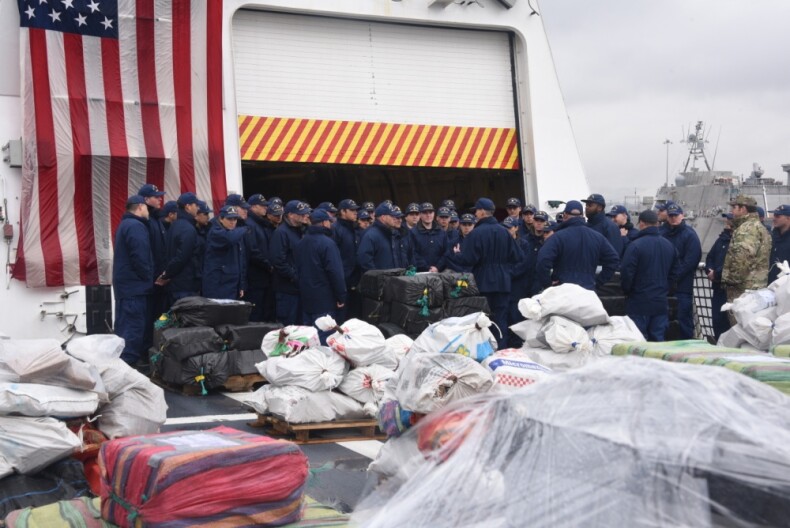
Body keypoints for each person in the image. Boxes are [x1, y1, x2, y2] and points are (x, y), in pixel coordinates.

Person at [452, 198, 523, 348]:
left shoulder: (476, 233)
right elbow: (518, 257)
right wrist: (505, 269)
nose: (476, 213)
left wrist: (457, 254)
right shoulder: (505, 232)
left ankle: (485, 352)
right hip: (503, 282)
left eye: (477, 210)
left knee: (482, 320)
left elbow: (468, 259)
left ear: (483, 212)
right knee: (500, 319)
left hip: (483, 282)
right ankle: (501, 349)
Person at [620, 210, 678, 341]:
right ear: (657, 224)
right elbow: (674, 273)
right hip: (660, 302)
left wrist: (627, 291)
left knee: (638, 340)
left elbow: (627, 273)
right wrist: (665, 289)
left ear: (641, 223)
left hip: (638, 302)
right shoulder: (669, 246)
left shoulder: (635, 246)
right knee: (658, 340)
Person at [535, 200, 620, 291]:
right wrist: (597, 282)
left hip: (563, 292)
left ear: (565, 215)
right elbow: (613, 260)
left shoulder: (557, 237)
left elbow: (542, 261)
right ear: (582, 216)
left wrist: (548, 285)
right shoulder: (598, 237)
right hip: (587, 291)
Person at [112, 195, 153, 366]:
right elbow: (140, 256)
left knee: (124, 329)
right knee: (132, 330)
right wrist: (148, 277)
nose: (148, 212)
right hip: (134, 288)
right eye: (147, 208)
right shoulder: (136, 226)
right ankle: (127, 369)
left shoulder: (125, 225)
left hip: (126, 287)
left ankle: (121, 367)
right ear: (140, 207)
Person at [295, 209, 347, 341]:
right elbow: (335, 273)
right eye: (329, 221)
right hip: (325, 298)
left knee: (309, 338)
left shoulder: (301, 242)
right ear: (324, 223)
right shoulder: (328, 243)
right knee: (325, 337)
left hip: (306, 297)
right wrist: (341, 296)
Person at [722, 195, 772, 307]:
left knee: (739, 322)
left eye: (734, 207)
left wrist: (730, 281)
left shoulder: (746, 229)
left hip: (743, 291)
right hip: (756, 288)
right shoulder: (759, 227)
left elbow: (742, 259)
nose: (732, 211)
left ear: (743, 208)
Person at [662, 204, 702, 339]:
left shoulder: (690, 235)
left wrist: (672, 277)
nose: (673, 218)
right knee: (663, 319)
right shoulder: (662, 233)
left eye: (676, 215)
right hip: (664, 286)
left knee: (683, 318)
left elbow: (691, 261)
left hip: (682, 287)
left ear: (682, 216)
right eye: (670, 216)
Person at [269, 200, 310, 325]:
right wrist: (295, 276)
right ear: (291, 215)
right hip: (287, 289)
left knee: (301, 325)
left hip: (300, 288)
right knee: (288, 325)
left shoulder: (302, 231)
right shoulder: (281, 232)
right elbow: (278, 261)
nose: (305, 216)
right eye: (301, 214)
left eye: (305, 213)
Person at [137, 183, 167, 350]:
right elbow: (146, 251)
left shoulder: (157, 219)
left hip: (160, 278)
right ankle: (145, 351)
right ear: (146, 199)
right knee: (147, 318)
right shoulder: (145, 220)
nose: (160, 199)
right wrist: (153, 275)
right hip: (151, 279)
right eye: (156, 197)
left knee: (157, 318)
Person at [159, 192, 201, 305]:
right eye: (195, 205)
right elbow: (182, 257)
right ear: (188, 206)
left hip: (175, 283)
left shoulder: (175, 225)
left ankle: (160, 324)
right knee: (184, 319)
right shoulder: (187, 229)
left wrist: (167, 274)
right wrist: (167, 274)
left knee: (171, 318)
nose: (198, 207)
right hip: (184, 285)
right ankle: (160, 324)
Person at [202, 206, 247, 300]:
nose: (233, 222)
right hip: (218, 286)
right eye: (229, 219)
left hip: (232, 285)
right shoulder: (215, 232)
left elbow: (240, 261)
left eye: (235, 219)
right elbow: (229, 238)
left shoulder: (235, 233)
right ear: (221, 219)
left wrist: (241, 285)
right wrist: (246, 228)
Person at [246, 194, 275, 321]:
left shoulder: (262, 224)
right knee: (256, 312)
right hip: (255, 276)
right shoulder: (250, 224)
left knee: (265, 311)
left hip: (264, 276)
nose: (265, 208)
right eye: (262, 206)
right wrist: (269, 265)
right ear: (253, 207)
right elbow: (253, 251)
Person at [358, 203, 410, 271]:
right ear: (383, 217)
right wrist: (378, 277)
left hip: (398, 278)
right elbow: (365, 260)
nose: (394, 218)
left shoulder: (394, 233)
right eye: (391, 216)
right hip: (382, 280)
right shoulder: (370, 235)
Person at [705, 214, 733, 340]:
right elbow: (710, 257)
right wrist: (709, 270)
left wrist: (716, 273)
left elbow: (734, 263)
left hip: (731, 288)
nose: (726, 221)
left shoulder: (737, 240)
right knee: (717, 320)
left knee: (730, 322)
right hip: (718, 288)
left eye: (730, 219)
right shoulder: (722, 239)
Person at [334, 198, 362, 320]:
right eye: (352, 210)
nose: (355, 212)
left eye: (356, 210)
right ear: (343, 212)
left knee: (356, 317)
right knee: (342, 317)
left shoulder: (355, 228)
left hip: (356, 280)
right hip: (343, 280)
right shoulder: (335, 229)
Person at [411, 202, 447, 272]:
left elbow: (447, 252)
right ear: (420, 215)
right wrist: (427, 268)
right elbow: (413, 253)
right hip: (421, 274)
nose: (428, 215)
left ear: (434, 214)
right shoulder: (413, 233)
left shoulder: (442, 232)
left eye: (430, 212)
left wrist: (438, 267)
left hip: (440, 273)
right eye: (425, 213)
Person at [769, 204, 790, 283]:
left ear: (788, 218)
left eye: (778, 216)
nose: (774, 218)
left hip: (786, 286)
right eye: (774, 215)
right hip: (771, 283)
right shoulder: (772, 236)